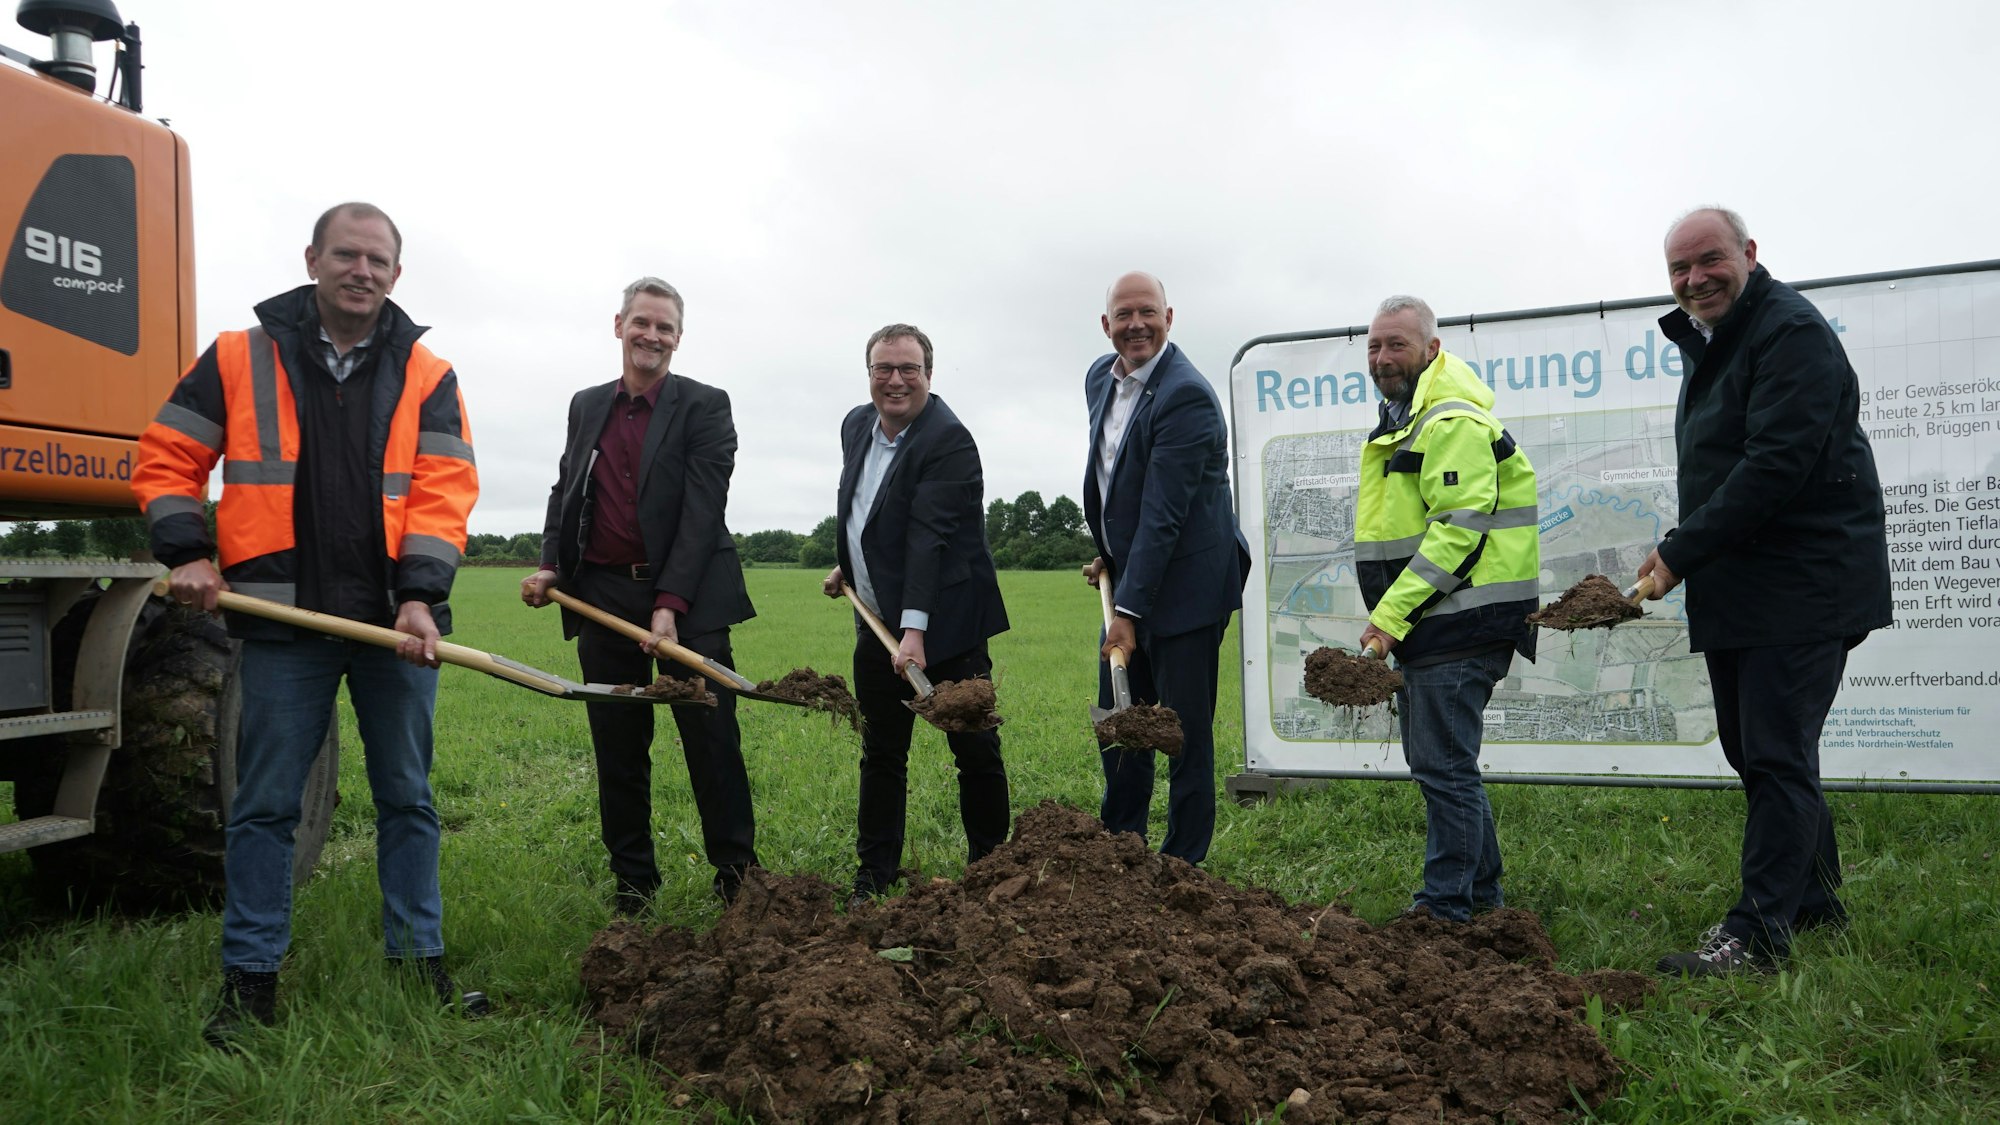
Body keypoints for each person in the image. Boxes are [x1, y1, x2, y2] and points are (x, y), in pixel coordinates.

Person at [132, 202, 483, 1047]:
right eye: (347, 255)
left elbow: (443, 492)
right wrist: (186, 548)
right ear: (312, 259)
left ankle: (418, 963)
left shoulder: (428, 373)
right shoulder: (237, 358)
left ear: (396, 275)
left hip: (393, 630)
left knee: (408, 799)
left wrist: (419, 593)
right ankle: (249, 982)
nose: (362, 271)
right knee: (263, 807)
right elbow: (168, 456)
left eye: (378, 260)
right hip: (281, 621)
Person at [1641, 207, 1891, 976]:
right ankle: (1813, 900)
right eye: (1679, 270)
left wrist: (1678, 552)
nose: (1694, 280)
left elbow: (1775, 465)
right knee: (1758, 751)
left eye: (1708, 260)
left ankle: (1756, 935)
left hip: (1804, 580)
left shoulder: (1790, 331)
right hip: (1745, 584)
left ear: (1749, 252)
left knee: (1777, 753)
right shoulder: (1718, 339)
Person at [522, 278, 760, 915]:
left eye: (665, 327)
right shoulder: (587, 404)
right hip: (602, 596)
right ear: (619, 325)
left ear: (679, 338)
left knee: (711, 741)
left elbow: (703, 512)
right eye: (642, 323)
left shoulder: (706, 406)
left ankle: (738, 878)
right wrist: (550, 566)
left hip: (692, 598)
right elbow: (566, 488)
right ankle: (634, 884)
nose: (651, 336)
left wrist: (669, 602)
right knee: (619, 746)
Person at [1354, 295, 1540, 923]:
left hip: (1458, 624)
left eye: (1397, 345)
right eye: (1375, 345)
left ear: (1431, 349)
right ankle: (1482, 900)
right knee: (1445, 764)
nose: (1382, 357)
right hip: (1440, 623)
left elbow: (1457, 533)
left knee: (1442, 768)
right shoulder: (1409, 418)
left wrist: (1389, 617)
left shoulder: (1451, 420)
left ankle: (1445, 907)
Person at [820, 324, 1010, 908]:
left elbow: (928, 538)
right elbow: (862, 508)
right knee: (882, 750)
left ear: (929, 373)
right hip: (876, 622)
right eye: (884, 368)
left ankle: (992, 869)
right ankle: (874, 874)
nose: (895, 380)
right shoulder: (858, 424)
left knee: (973, 747)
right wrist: (845, 566)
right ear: (869, 372)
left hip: (945, 623)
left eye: (909, 369)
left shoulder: (948, 440)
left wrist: (914, 631)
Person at [1083, 272, 1250, 866]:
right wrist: (1112, 550)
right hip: (1133, 575)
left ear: (1169, 316)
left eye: (1147, 312)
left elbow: (1164, 513)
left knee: (1182, 734)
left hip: (1188, 592)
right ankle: (1121, 850)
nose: (1136, 325)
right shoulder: (1100, 381)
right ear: (1107, 325)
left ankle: (1182, 866)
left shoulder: (1186, 394)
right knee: (1120, 720)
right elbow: (1116, 481)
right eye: (1123, 315)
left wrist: (1126, 611)